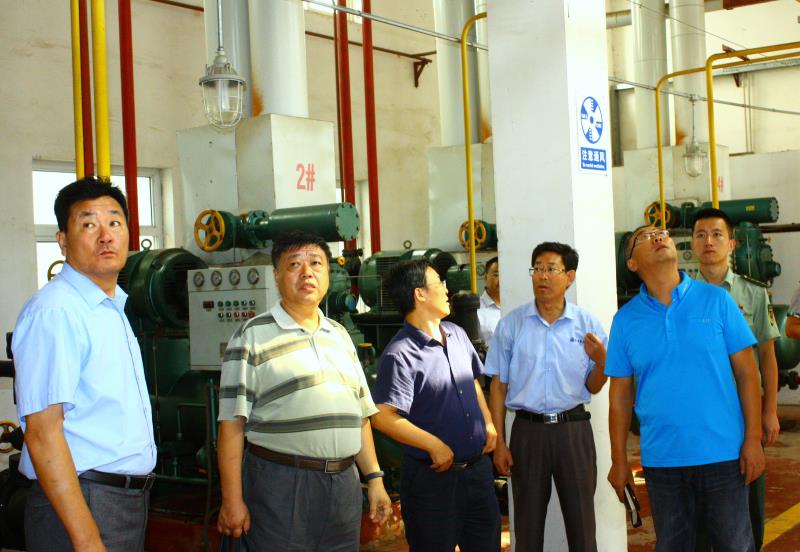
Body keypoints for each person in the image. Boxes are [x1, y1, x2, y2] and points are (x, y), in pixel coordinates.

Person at [216, 230, 390, 551]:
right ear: (276, 275)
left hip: (344, 485)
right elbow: (231, 425)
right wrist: (232, 500)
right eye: (294, 264)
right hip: (282, 484)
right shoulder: (251, 336)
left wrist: (374, 478)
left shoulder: (339, 335)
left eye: (316, 263)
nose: (307, 272)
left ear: (328, 275)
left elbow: (359, 416)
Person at [12, 177, 156, 551]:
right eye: (89, 224)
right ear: (63, 241)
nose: (106, 236)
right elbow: (43, 433)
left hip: (118, 501)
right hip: (83, 502)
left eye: (115, 222)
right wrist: (87, 537)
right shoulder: (57, 311)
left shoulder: (109, 308)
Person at [606, 225, 765, 552]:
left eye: (661, 233)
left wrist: (753, 439)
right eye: (644, 238)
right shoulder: (625, 320)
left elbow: (748, 374)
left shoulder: (717, 301)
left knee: (734, 545)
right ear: (632, 264)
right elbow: (619, 396)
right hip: (662, 461)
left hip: (724, 456)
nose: (658, 237)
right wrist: (618, 460)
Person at [371, 259, 501, 552]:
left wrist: (488, 422)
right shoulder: (400, 354)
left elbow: (473, 381)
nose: (446, 290)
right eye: (439, 283)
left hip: (478, 473)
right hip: (433, 482)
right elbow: (383, 416)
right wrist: (433, 445)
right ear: (419, 294)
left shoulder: (457, 334)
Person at [485, 242, 607, 551]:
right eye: (537, 268)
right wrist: (500, 443)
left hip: (573, 430)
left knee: (582, 525)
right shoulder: (512, 325)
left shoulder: (587, 325)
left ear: (570, 277)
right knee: (527, 526)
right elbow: (498, 387)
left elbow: (594, 386)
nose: (542, 276)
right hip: (528, 433)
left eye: (551, 269)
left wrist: (603, 362)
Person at [691, 207, 780, 551]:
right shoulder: (679, 296)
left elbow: (767, 357)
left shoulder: (753, 293)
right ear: (693, 244)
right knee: (698, 508)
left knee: (748, 499)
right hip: (699, 415)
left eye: (717, 235)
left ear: (731, 243)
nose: (708, 242)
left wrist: (769, 411)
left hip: (745, 413)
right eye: (700, 235)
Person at [478, 257, 501, 346]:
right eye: (496, 274)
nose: (502, 279)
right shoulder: (477, 310)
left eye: (506, 274)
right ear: (485, 278)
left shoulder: (516, 306)